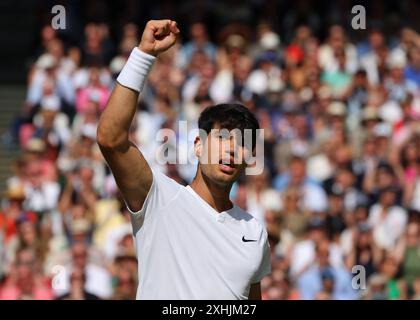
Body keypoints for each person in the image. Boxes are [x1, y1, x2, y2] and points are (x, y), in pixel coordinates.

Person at [97, 19, 271, 300]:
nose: (231, 150)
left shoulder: (254, 231)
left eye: (242, 144)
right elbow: (110, 138)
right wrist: (143, 55)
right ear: (198, 146)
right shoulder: (157, 199)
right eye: (223, 138)